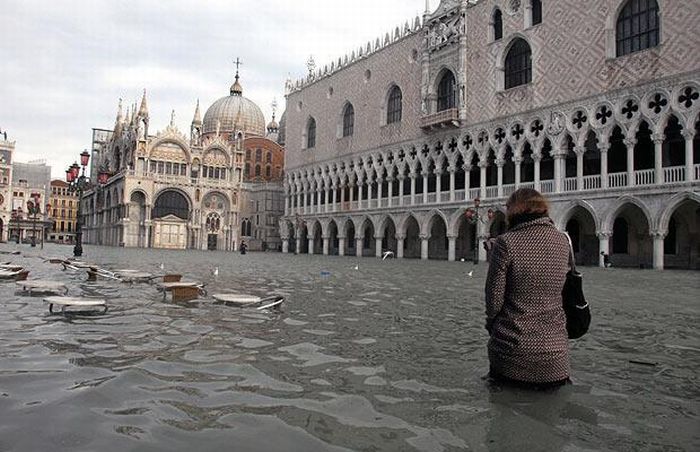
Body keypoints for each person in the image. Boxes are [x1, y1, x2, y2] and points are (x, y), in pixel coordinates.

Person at [485, 188, 571, 390]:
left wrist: (491, 325)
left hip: (512, 353)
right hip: (556, 356)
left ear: (513, 210)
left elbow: (494, 300)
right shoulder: (563, 241)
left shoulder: (506, 242)